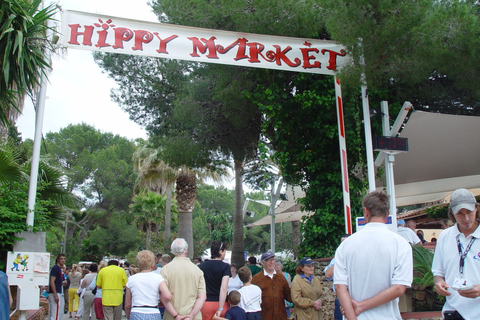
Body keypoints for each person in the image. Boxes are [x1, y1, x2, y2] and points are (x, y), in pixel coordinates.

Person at [334, 191, 413, 320]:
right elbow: (399, 288)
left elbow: (339, 286)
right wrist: (361, 306)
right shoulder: (401, 244)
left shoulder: (346, 245)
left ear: (366, 212)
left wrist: (354, 313)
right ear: (387, 214)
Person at [432, 188, 480, 320]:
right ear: (452, 213)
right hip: (453, 311)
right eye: (460, 213)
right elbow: (438, 273)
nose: (466, 218)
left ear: (476, 209)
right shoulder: (445, 237)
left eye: (469, 212)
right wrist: (439, 283)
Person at [161, 238, 207, 320]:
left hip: (171, 317)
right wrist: (191, 316)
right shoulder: (197, 270)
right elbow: (202, 296)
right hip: (194, 317)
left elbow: (163, 297)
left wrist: (176, 315)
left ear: (172, 251)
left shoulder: (165, 270)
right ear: (186, 250)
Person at [124, 250, 177, 320]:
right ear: (152, 264)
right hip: (153, 312)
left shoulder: (131, 279)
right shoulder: (158, 278)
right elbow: (168, 296)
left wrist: (128, 315)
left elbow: (127, 305)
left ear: (138, 265)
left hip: (136, 311)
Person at [251, 252, 292, 320]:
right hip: (264, 316)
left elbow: (288, 295)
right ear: (262, 262)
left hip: (280, 316)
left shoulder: (281, 277)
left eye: (273, 260)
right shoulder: (256, 279)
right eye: (268, 260)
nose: (272, 262)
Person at [199, 241, 231, 320]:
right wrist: (220, 308)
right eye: (224, 251)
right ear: (220, 252)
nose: (225, 254)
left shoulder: (201, 266)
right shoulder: (225, 267)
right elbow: (223, 288)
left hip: (204, 303)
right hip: (220, 303)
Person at [324, 234, 350, 320]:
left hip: (354, 297)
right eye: (342, 244)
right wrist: (341, 261)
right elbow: (328, 274)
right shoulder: (337, 259)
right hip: (340, 299)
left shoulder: (357, 257)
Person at [48, 253, 67, 320]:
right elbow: (52, 281)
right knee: (55, 313)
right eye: (61, 259)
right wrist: (55, 294)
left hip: (59, 291)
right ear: (58, 260)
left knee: (58, 312)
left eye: (64, 259)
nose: (63, 260)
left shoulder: (59, 269)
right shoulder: (55, 268)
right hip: (55, 292)